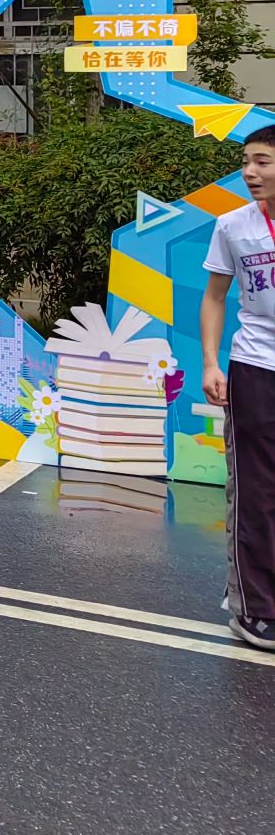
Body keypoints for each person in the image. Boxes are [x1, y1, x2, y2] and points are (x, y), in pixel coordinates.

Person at [201, 123, 275, 652]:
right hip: (255, 366)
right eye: (246, 161)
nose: (250, 172)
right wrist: (210, 363)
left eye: (262, 162)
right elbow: (214, 297)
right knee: (255, 491)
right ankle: (255, 609)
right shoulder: (232, 225)